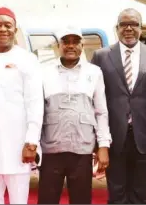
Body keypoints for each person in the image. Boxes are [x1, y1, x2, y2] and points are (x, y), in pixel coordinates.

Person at [90, 8, 146, 204]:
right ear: (117, 28)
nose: (129, 28)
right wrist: (99, 142)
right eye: (124, 24)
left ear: (141, 28)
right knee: (117, 194)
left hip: (145, 137)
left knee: (142, 194)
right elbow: (93, 101)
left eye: (134, 24)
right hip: (114, 136)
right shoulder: (101, 56)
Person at [0, 7, 44, 204]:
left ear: (16, 30)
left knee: (18, 200)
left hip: (17, 145)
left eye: (8, 25)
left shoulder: (27, 59)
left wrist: (32, 142)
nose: (3, 29)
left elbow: (35, 102)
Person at [37, 27, 112, 204]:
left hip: (82, 149)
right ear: (58, 45)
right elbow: (36, 111)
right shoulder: (43, 72)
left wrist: (103, 145)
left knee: (81, 200)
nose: (70, 46)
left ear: (82, 45)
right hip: (51, 149)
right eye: (66, 42)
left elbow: (101, 112)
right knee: (47, 200)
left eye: (75, 42)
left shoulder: (94, 72)